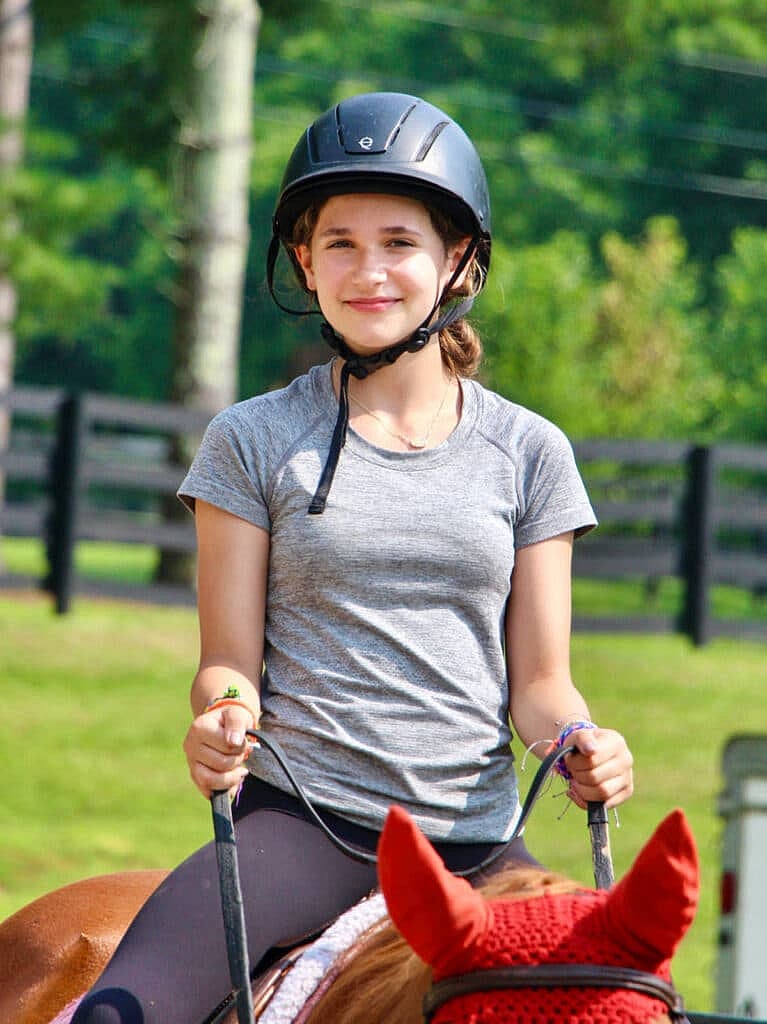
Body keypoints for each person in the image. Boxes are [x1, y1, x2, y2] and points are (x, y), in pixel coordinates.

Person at [72, 91, 634, 1024]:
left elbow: (540, 685)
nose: (368, 271)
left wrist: (581, 743)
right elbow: (226, 663)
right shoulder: (249, 440)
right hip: (300, 828)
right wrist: (222, 714)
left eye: (398, 242)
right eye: (339, 243)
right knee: (114, 1018)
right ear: (304, 260)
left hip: (478, 844)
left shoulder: (531, 452)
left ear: (456, 261)